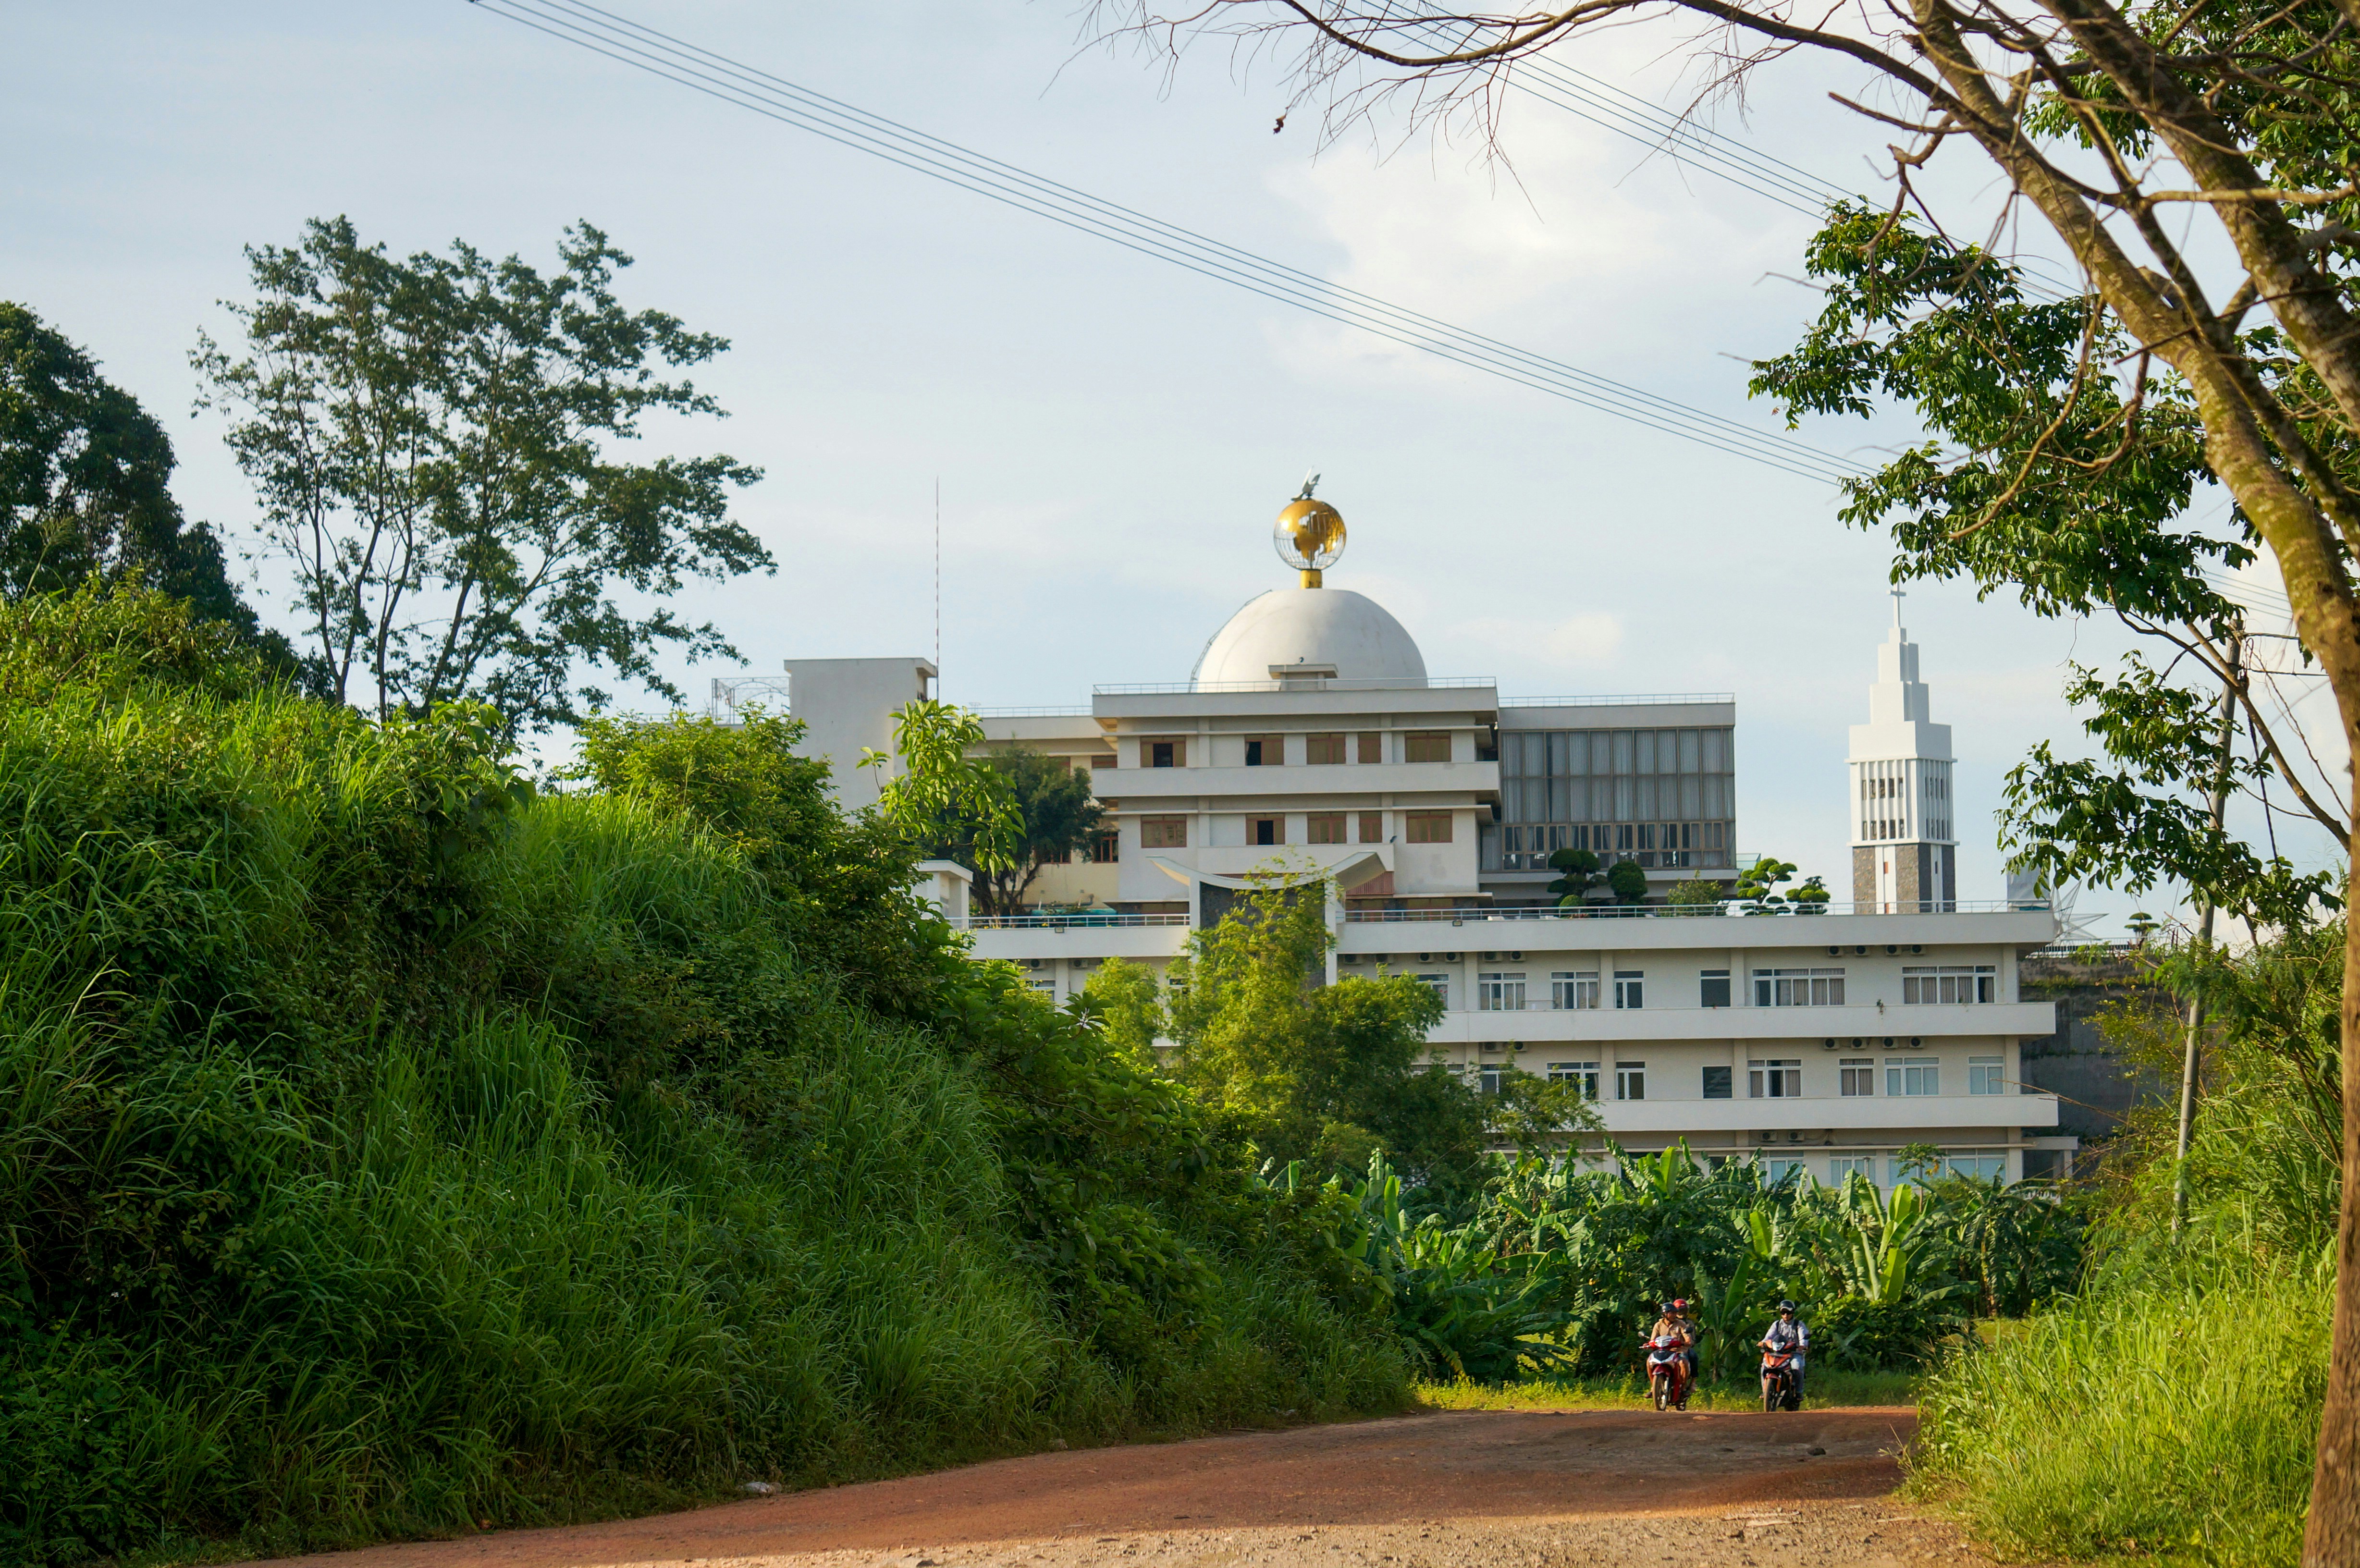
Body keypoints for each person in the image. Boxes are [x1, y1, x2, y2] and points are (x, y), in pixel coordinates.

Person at [1759, 1300, 1808, 1407]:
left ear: (1793, 1313)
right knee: (1764, 1367)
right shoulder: (1776, 1325)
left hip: (1794, 1353)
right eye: (1783, 1312)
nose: (1786, 1315)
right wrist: (1763, 1343)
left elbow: (1803, 1338)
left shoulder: (1799, 1325)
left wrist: (1803, 1345)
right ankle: (1765, 1390)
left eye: (1788, 1312)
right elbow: (1769, 1337)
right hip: (1778, 1353)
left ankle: (1799, 1392)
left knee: (1797, 1367)